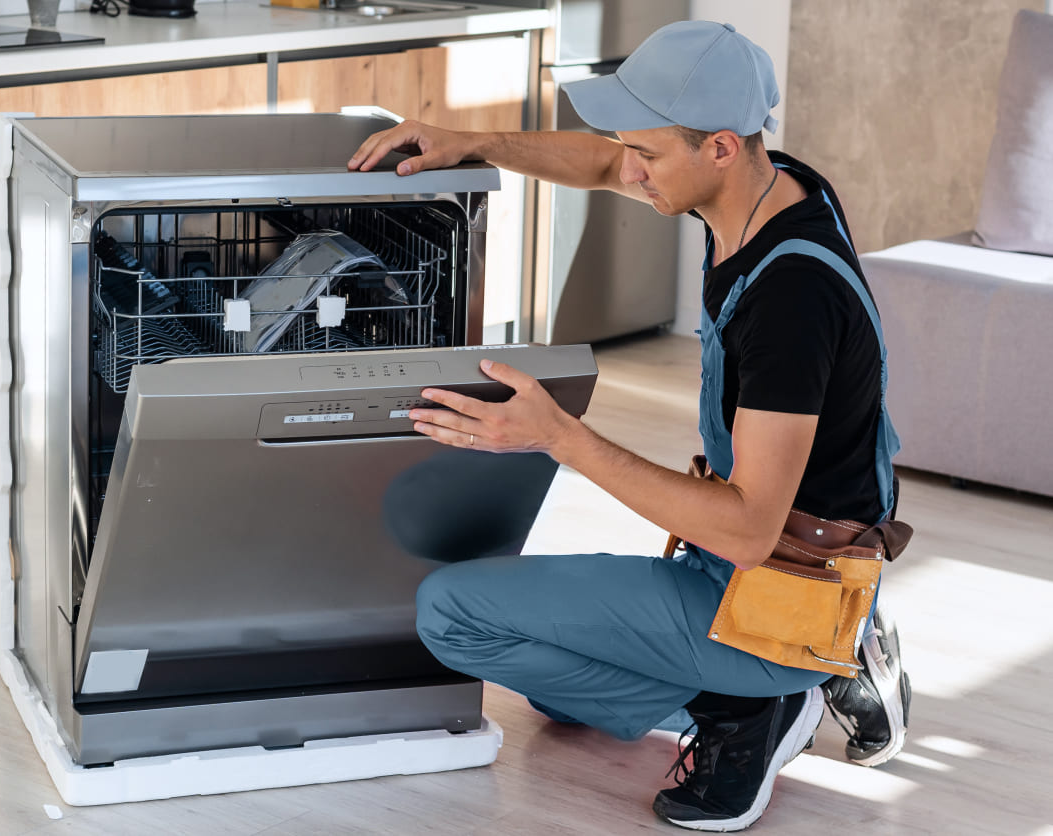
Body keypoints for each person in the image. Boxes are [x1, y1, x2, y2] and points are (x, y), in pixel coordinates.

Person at [349, 20, 910, 831]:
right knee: (551, 684)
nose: (630, 168)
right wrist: (466, 142)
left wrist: (559, 436)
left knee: (452, 614)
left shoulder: (792, 301)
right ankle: (786, 672)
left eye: (649, 153)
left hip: (773, 575)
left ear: (719, 146)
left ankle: (757, 697)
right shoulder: (771, 183)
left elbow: (752, 531)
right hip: (790, 542)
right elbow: (605, 161)